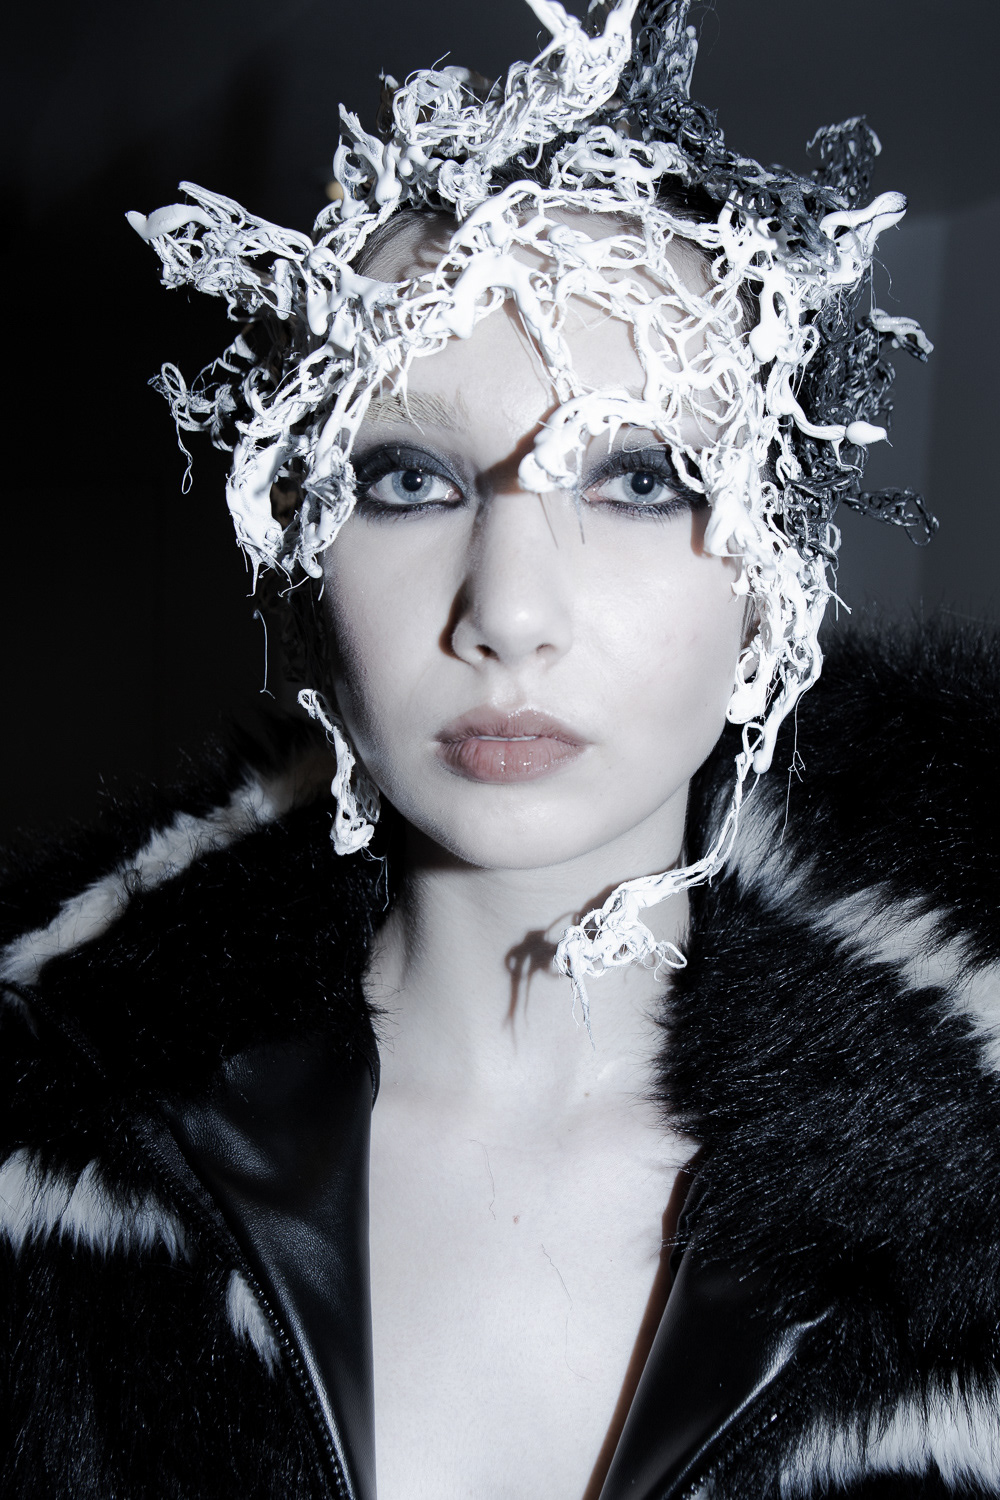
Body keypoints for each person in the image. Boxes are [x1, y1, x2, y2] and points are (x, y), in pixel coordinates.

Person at [1, 2, 997, 1497]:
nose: (510, 611)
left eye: (644, 480)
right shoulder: (44, 1139)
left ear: (775, 580)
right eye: (410, 479)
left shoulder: (972, 1202)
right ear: (301, 555)